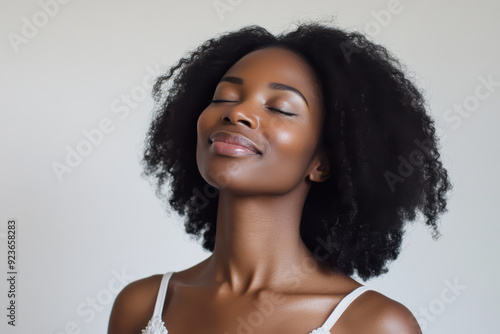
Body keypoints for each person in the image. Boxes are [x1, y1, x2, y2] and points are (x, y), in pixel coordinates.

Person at [108, 21, 452, 334]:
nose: (237, 112)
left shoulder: (373, 324)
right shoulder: (141, 306)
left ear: (322, 162)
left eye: (280, 108)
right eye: (223, 97)